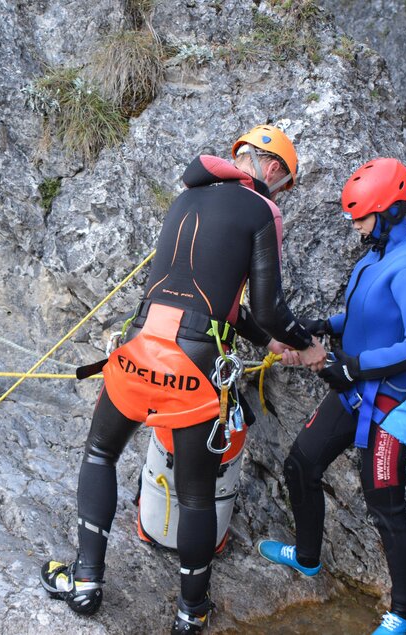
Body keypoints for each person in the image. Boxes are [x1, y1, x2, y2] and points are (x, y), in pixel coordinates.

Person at [40, 125, 326, 634]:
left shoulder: (185, 199)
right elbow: (268, 307)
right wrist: (304, 343)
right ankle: (190, 613)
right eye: (286, 184)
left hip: (137, 349)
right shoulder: (262, 211)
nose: (283, 195)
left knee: (100, 454)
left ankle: (85, 582)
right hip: (193, 367)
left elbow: (200, 296)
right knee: (196, 495)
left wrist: (267, 341)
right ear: (275, 169)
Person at [256, 158, 406, 635]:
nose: (356, 227)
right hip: (355, 388)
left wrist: (351, 366)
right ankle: (310, 557)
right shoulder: (374, 257)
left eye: (362, 216)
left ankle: (404, 612)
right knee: (301, 463)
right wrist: (323, 327)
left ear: (391, 211)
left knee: (385, 506)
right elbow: (363, 317)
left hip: (388, 402)